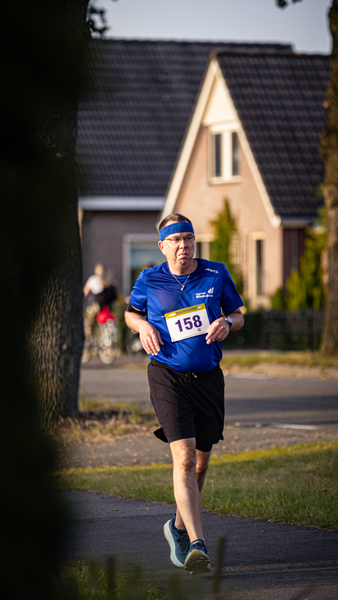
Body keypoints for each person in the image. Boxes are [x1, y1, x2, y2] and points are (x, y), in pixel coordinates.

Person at [125, 213, 244, 573]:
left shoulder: (215, 273)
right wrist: (142, 324)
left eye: (189, 238)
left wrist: (227, 322)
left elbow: (239, 314)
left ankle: (176, 527)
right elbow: (130, 314)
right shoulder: (149, 279)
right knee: (186, 459)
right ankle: (197, 544)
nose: (183, 246)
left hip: (208, 378)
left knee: (202, 462)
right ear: (163, 246)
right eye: (176, 240)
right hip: (167, 376)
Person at [83, 264, 117, 360]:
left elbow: (85, 292)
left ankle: (89, 342)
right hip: (107, 307)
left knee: (89, 324)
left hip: (97, 305)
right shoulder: (108, 278)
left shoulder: (93, 279)